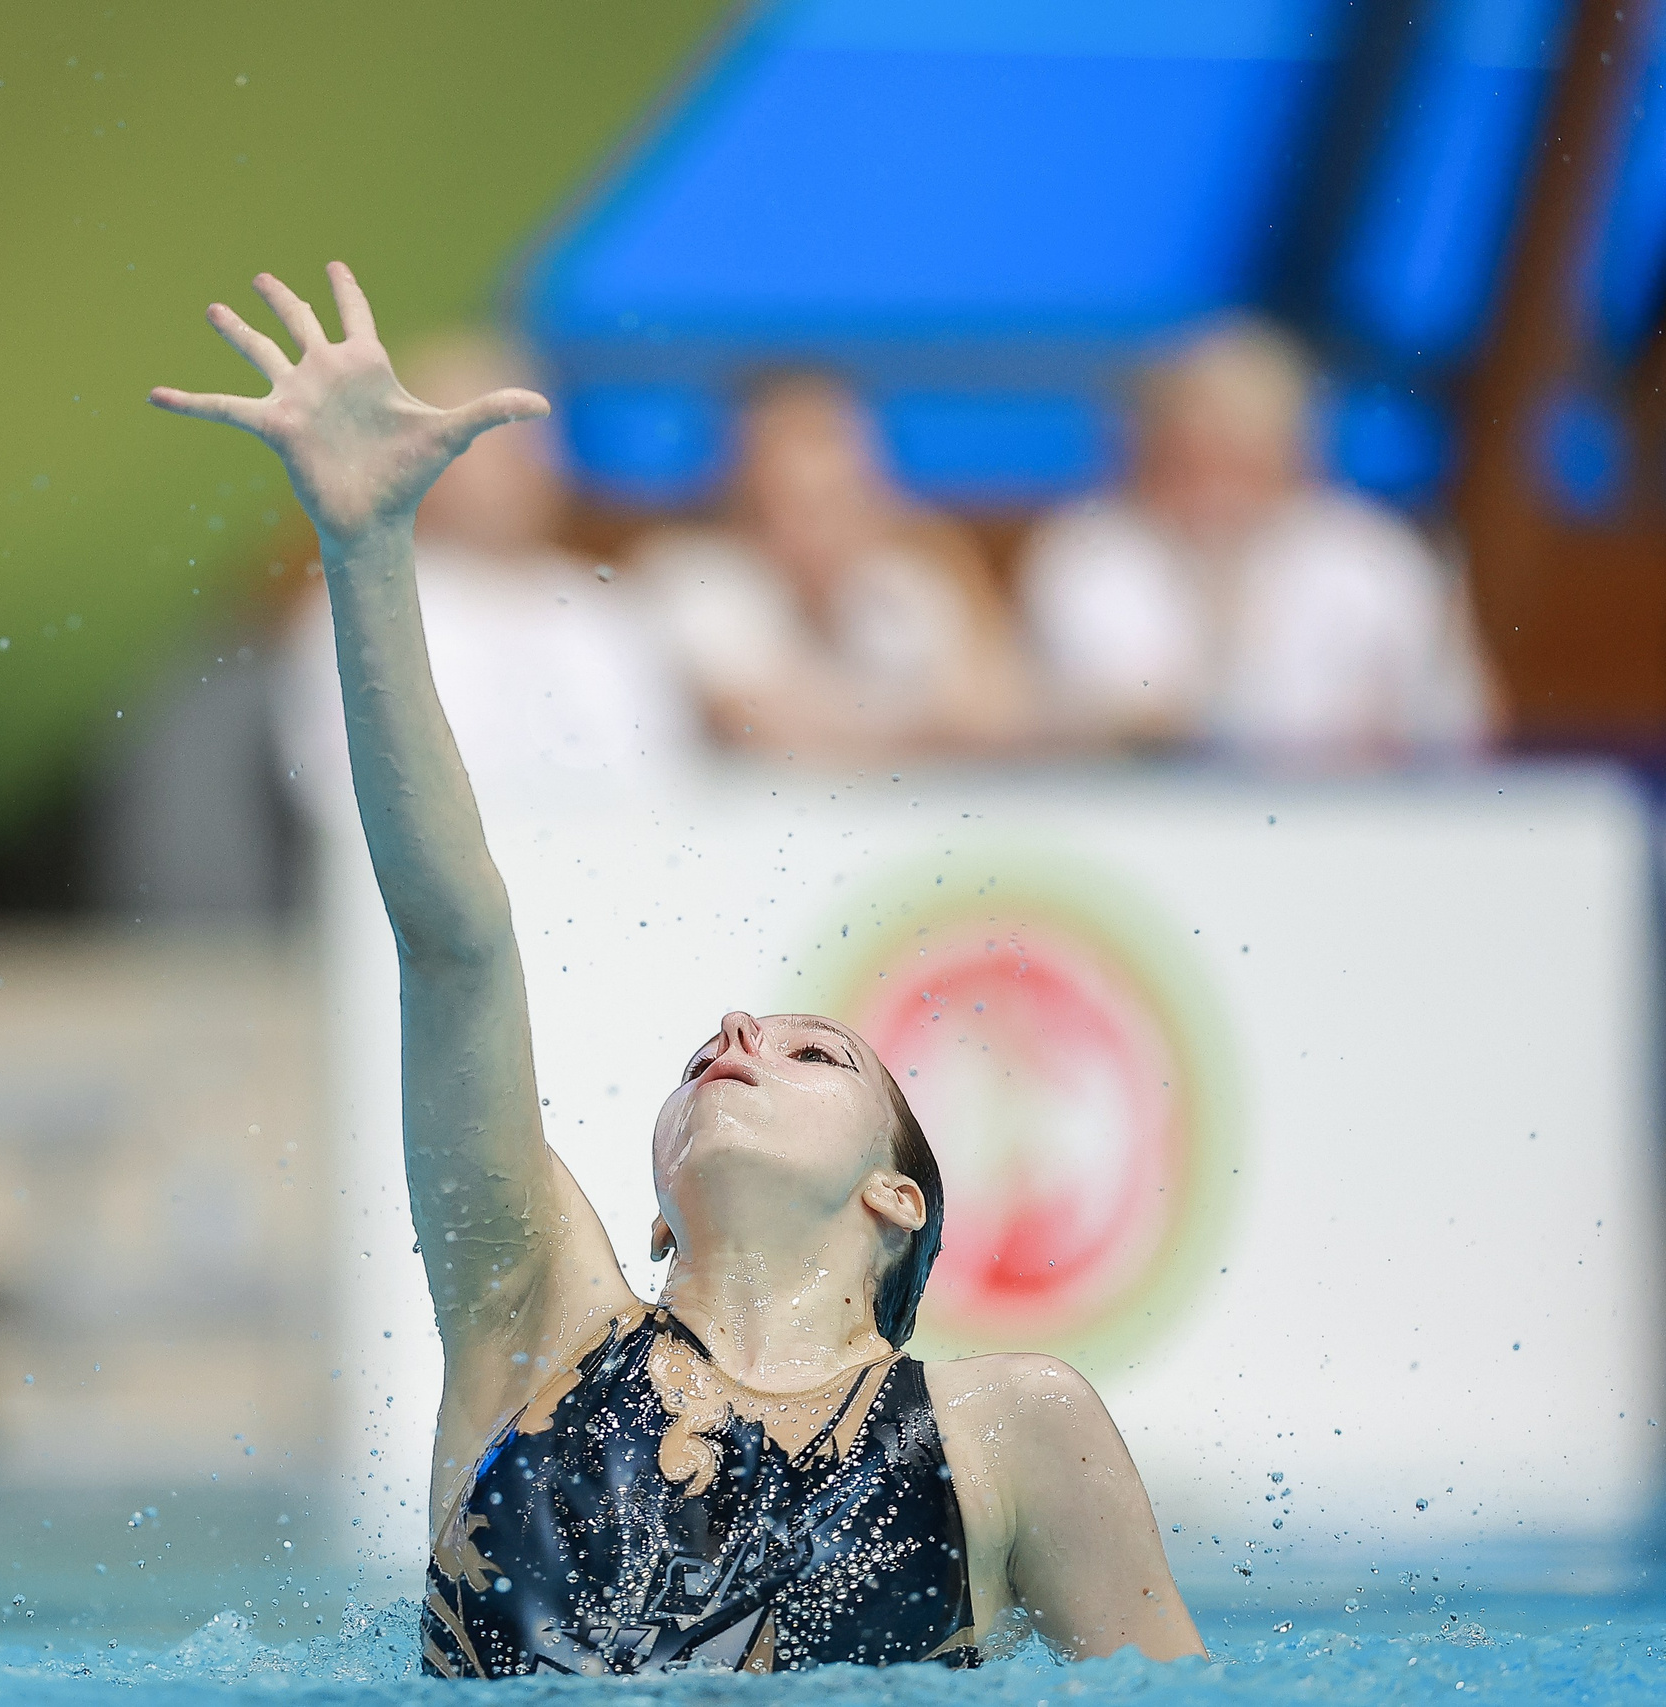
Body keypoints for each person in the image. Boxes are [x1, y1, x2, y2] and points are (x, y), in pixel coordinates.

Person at [152, 265, 1204, 1672]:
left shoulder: (1011, 1429)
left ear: (896, 1196)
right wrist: (366, 549)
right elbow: (454, 944)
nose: (736, 1031)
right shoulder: (535, 1322)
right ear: (651, 1215)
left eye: (814, 1052)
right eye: (719, 1045)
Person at [1017, 318, 1498, 762]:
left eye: (1239, 455)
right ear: (1143, 451)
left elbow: (1457, 724)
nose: (1213, 487)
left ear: (1297, 453)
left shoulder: (1371, 554)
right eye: (1189, 455)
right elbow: (1110, 718)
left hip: (1358, 810)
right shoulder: (1089, 550)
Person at [273, 332, 698, 813]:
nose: (522, 461)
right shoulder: (365, 611)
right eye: (486, 440)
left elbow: (671, 784)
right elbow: (361, 801)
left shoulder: (607, 606)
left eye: (532, 438)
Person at [635, 375, 1032, 761]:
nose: (822, 529)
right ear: (743, 497)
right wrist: (931, 734)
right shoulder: (695, 575)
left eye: (839, 497)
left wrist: (953, 557)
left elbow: (1000, 717)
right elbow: (762, 731)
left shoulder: (902, 582)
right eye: (795, 502)